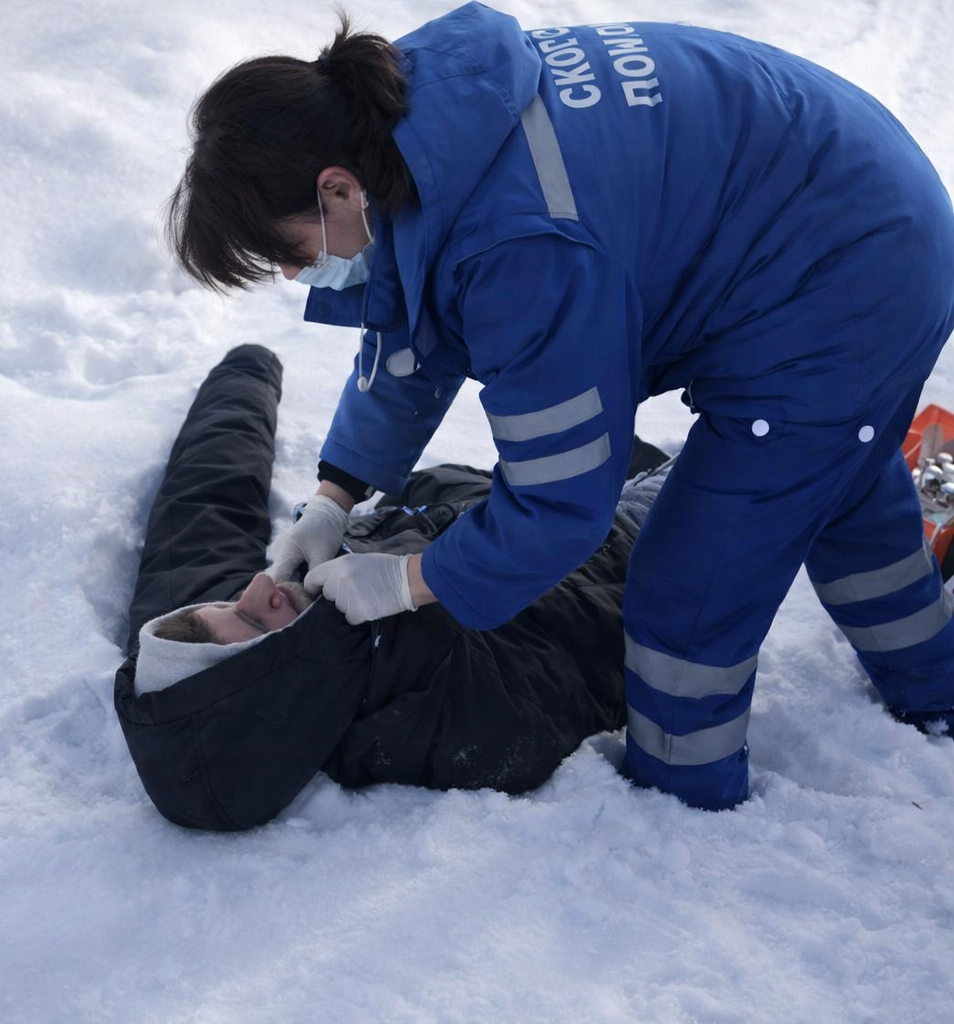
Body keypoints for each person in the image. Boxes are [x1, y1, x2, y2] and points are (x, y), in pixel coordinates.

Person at [165, 3, 954, 810]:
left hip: (845, 274)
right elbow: (420, 309)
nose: (293, 274)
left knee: (689, 595)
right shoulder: (409, 116)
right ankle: (938, 690)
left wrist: (408, 581)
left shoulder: (518, 248)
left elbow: (560, 504)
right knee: (839, 480)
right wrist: (335, 496)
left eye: (288, 251)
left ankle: (684, 807)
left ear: (336, 187)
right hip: (857, 193)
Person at [114, 344, 670, 831]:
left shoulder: (201, 646)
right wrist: (419, 582)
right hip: (629, 545)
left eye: (231, 603)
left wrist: (247, 369)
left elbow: (203, 499)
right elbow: (596, 636)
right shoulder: (450, 721)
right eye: (255, 622)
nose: (260, 585)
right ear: (284, 698)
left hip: (479, 496)